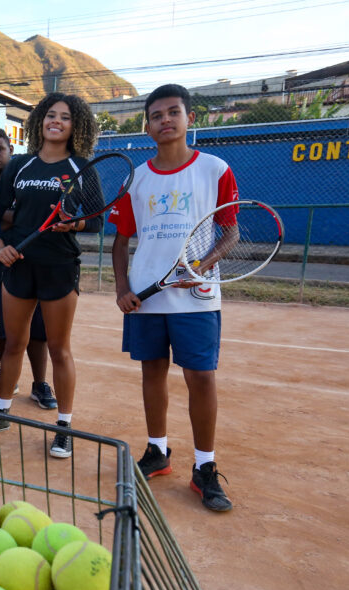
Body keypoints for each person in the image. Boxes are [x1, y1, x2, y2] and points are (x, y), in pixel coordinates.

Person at [110, 83, 237, 512]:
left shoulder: (215, 169)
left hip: (197, 295)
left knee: (200, 377)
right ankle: (157, 452)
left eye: (173, 112)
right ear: (147, 126)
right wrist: (122, 289)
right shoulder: (137, 179)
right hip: (147, 298)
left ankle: (205, 467)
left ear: (189, 120)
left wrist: (202, 265)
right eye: (157, 115)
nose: (165, 120)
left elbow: (231, 231)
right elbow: (121, 241)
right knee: (152, 373)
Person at [0, 93, 104, 459]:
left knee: (58, 348)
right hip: (18, 265)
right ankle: (2, 413)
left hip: (59, 268)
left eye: (65, 118)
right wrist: (0, 244)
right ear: (39, 122)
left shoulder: (82, 167)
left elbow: (96, 220)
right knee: (13, 343)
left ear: (74, 126)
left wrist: (75, 223)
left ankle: (63, 426)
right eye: (50, 115)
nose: (56, 121)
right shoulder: (20, 165)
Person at [0, 128, 56, 409]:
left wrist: (0, 215)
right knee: (7, 332)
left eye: (0, 149)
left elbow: (34, 219)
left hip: (36, 265)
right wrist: (8, 219)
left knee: (39, 332)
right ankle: (8, 382)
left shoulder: (31, 180)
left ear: (10, 149)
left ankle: (40, 384)